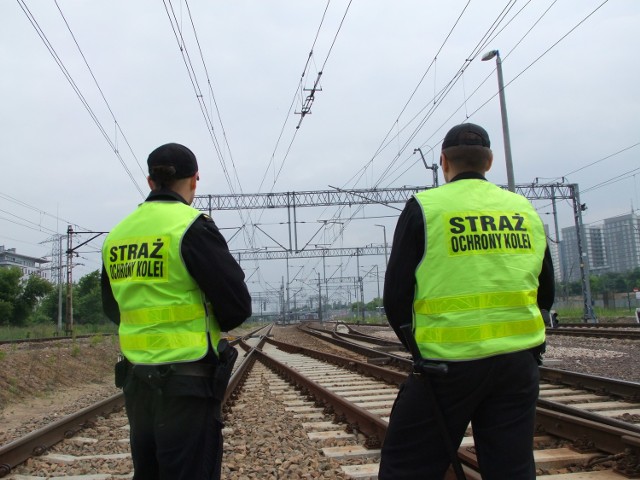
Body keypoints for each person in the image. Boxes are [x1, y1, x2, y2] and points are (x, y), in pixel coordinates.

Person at [379, 123, 555, 479]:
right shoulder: (523, 209)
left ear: (443, 162)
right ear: (489, 162)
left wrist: (418, 351)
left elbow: (396, 297)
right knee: (512, 467)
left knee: (407, 465)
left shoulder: (425, 208)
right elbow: (546, 290)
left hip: (446, 367)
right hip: (517, 364)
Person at [101, 142, 252, 480]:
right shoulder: (190, 226)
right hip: (187, 383)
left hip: (137, 383)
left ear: (150, 181)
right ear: (194, 181)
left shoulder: (118, 235)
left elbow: (113, 307)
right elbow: (237, 305)